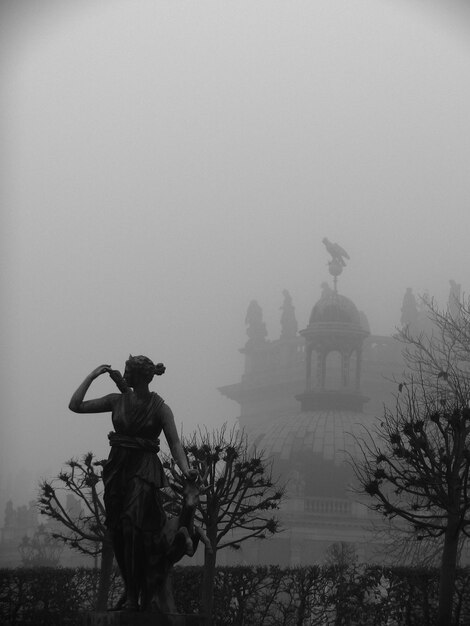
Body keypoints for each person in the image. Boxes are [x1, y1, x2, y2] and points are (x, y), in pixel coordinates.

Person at [69, 355, 193, 611]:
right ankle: (130, 590)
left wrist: (186, 470)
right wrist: (92, 376)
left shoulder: (160, 408)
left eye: (127, 371)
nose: (123, 375)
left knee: (130, 525)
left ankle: (135, 597)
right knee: (118, 532)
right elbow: (76, 405)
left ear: (140, 376)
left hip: (144, 470)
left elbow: (175, 443)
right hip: (117, 469)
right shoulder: (118, 401)